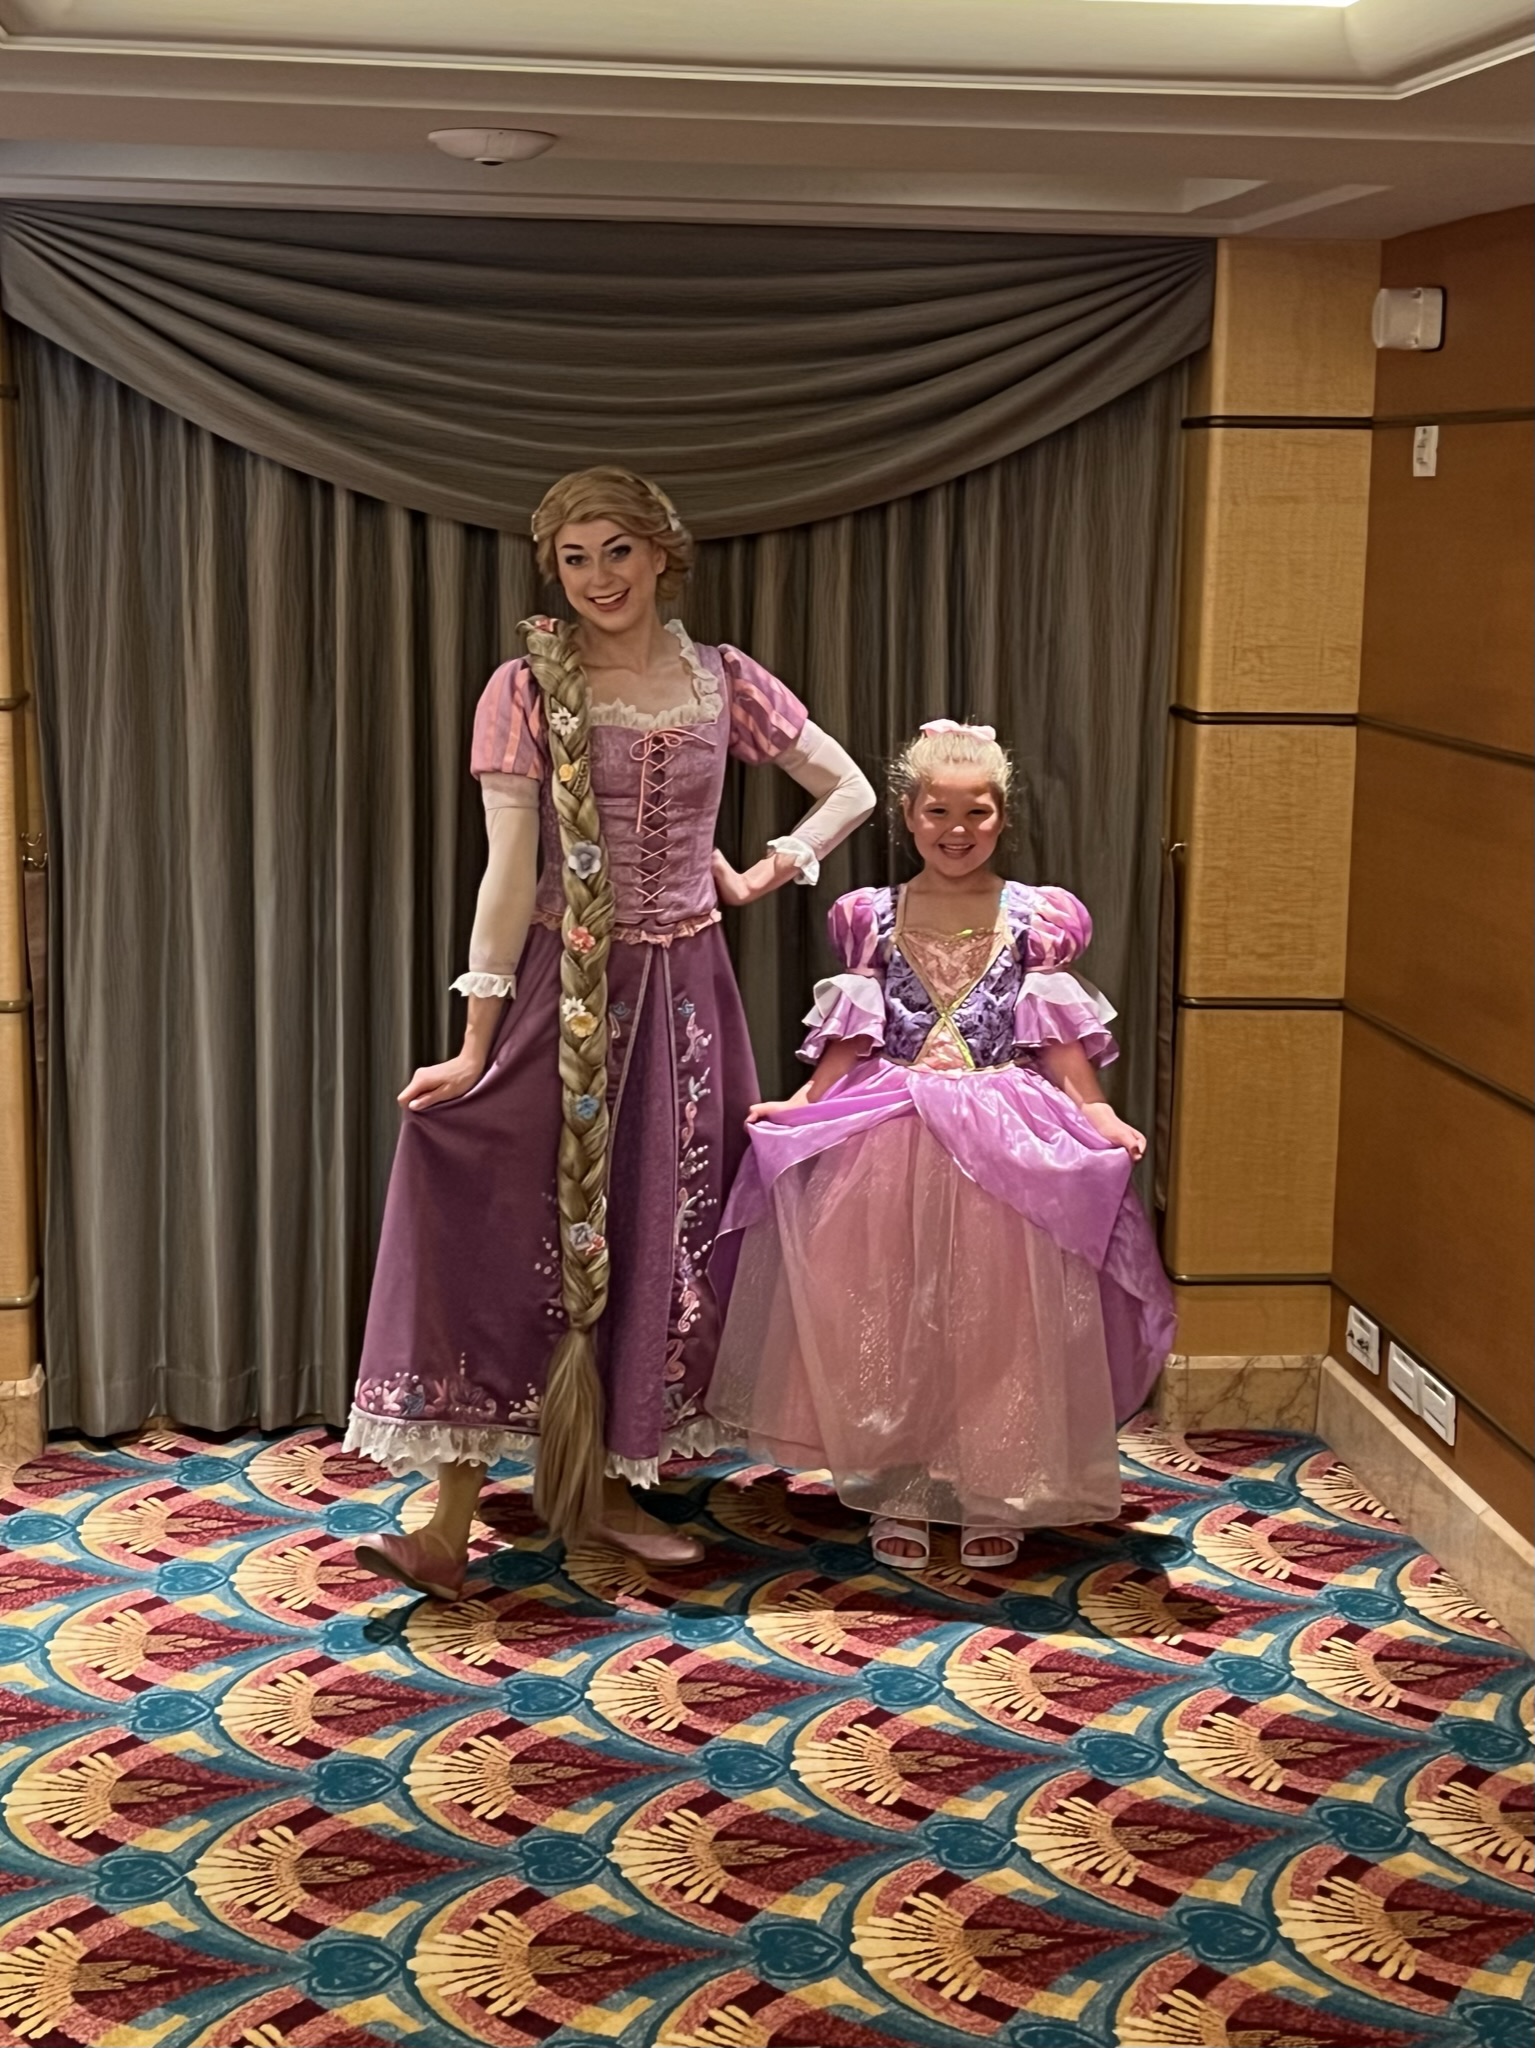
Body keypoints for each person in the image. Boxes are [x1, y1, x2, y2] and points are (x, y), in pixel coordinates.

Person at [344, 466, 874, 1598]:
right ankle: (446, 1520)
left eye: (617, 551)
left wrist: (769, 868)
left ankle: (607, 1479)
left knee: (648, 1229)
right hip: (565, 985)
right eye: (574, 559)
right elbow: (508, 869)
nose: (597, 578)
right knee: (505, 1207)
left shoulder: (721, 680)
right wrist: (477, 1039)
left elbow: (848, 787)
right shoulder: (525, 688)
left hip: (687, 1000)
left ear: (661, 553)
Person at [706, 719, 1174, 1573]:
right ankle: (901, 1483)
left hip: (999, 1131)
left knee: (995, 1315)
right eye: (938, 812)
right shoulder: (872, 917)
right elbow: (850, 1038)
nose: (956, 830)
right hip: (896, 1130)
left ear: (1002, 816)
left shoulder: (1036, 919)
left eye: (976, 813)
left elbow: (1058, 1044)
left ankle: (992, 1483)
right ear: (909, 815)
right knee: (889, 1308)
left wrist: (1098, 1116)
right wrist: (805, 1102)